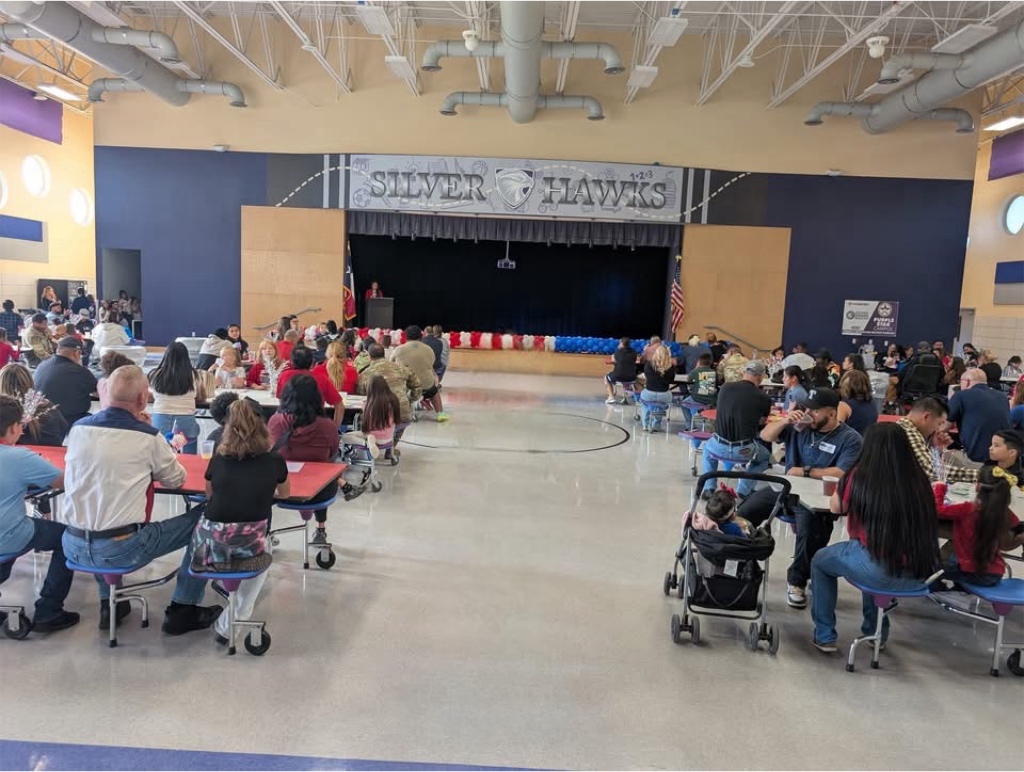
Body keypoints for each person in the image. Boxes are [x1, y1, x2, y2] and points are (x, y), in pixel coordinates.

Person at [61, 365, 223, 634]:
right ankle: (185, 606)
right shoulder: (147, 436)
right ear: (141, 399)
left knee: (99, 512)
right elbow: (176, 479)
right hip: (122, 548)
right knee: (209, 515)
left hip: (72, 543)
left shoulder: (78, 430)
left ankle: (109, 603)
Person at [809, 423, 940, 652]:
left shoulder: (860, 474)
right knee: (875, 554)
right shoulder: (919, 479)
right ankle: (876, 632)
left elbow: (837, 508)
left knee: (822, 560)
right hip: (919, 573)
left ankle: (825, 634)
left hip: (877, 570)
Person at [754, 388, 863, 609]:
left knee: (810, 528)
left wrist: (804, 471)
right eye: (807, 408)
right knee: (746, 508)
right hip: (786, 491)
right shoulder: (799, 427)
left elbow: (842, 472)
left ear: (831, 413)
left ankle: (797, 581)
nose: (808, 414)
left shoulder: (850, 438)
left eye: (814, 410)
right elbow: (765, 436)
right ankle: (737, 562)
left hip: (817, 498)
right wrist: (785, 421)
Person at [193, 398, 289, 646]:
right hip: (250, 543)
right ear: (262, 426)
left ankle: (227, 596)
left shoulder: (218, 459)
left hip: (209, 547)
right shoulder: (275, 461)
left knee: (244, 544)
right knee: (263, 551)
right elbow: (285, 494)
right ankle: (229, 626)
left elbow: (209, 495)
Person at [0, 396, 78, 633]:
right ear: (15, 427)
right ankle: (49, 612)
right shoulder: (19, 457)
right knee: (67, 538)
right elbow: (65, 482)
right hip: (7, 536)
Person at [268, 375, 350, 545]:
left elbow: (267, 453)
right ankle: (321, 529)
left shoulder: (276, 422)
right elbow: (333, 454)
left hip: (281, 491)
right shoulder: (328, 426)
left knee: (263, 490)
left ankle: (265, 532)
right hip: (319, 493)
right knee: (326, 474)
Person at [933, 465, 1019, 589]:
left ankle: (944, 591)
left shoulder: (967, 510)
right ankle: (960, 589)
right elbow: (1014, 524)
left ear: (977, 486)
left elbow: (937, 510)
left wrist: (940, 487)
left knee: (929, 568)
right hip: (995, 573)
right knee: (952, 558)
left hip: (971, 572)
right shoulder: (1006, 513)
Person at [700, 361, 772, 499]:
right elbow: (762, 422)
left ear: (744, 372)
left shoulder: (725, 388)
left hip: (718, 445)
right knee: (764, 458)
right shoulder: (764, 398)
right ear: (761, 377)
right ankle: (743, 491)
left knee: (707, 451)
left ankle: (709, 488)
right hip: (744, 449)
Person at [357, 344, 421, 448]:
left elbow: (360, 393)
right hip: (402, 414)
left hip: (378, 417)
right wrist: (409, 400)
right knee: (399, 424)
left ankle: (373, 445)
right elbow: (417, 386)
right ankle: (391, 446)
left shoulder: (365, 374)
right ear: (384, 354)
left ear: (369, 356)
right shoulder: (401, 368)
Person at [948, 368, 1011, 465]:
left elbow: (943, 426)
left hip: (975, 460)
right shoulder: (1002, 397)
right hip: (1001, 460)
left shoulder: (960, 395)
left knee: (945, 455)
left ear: (967, 382)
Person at [32, 337, 97, 428]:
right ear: (76, 353)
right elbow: (98, 392)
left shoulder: (42, 364)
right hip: (67, 423)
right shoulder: (79, 371)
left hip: (38, 420)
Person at [148, 341, 201, 455]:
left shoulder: (156, 374)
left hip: (160, 417)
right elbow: (197, 394)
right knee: (190, 453)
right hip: (186, 417)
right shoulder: (193, 375)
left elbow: (152, 394)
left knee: (161, 453)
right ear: (186, 357)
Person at [0, 363, 67, 446]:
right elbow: (63, 429)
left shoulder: (4, 415)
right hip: (50, 455)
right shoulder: (48, 408)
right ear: (30, 383)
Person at [275, 345, 343, 424]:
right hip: (316, 426)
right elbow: (340, 406)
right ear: (312, 362)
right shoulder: (321, 378)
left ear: (291, 362)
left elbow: (281, 401)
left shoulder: (284, 376)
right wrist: (335, 428)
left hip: (288, 425)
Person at [393, 326, 448, 421]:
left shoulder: (399, 349)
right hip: (426, 386)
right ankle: (440, 414)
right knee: (434, 392)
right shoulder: (428, 349)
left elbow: (391, 363)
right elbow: (432, 363)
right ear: (421, 336)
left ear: (406, 336)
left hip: (405, 385)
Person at [639, 344, 675, 432]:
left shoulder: (648, 364)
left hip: (649, 392)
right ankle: (656, 424)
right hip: (664, 394)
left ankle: (645, 424)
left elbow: (647, 377)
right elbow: (670, 381)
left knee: (644, 403)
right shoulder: (671, 367)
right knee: (660, 405)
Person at [837, 370, 878, 435]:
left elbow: (836, 431)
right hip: (869, 441)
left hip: (851, 442)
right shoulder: (873, 402)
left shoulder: (844, 405)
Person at [605, 337, 638, 404]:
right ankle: (632, 395)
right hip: (632, 377)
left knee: (606, 377)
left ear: (622, 343)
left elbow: (615, 361)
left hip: (619, 376)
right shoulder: (634, 352)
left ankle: (611, 397)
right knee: (629, 376)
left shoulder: (617, 352)